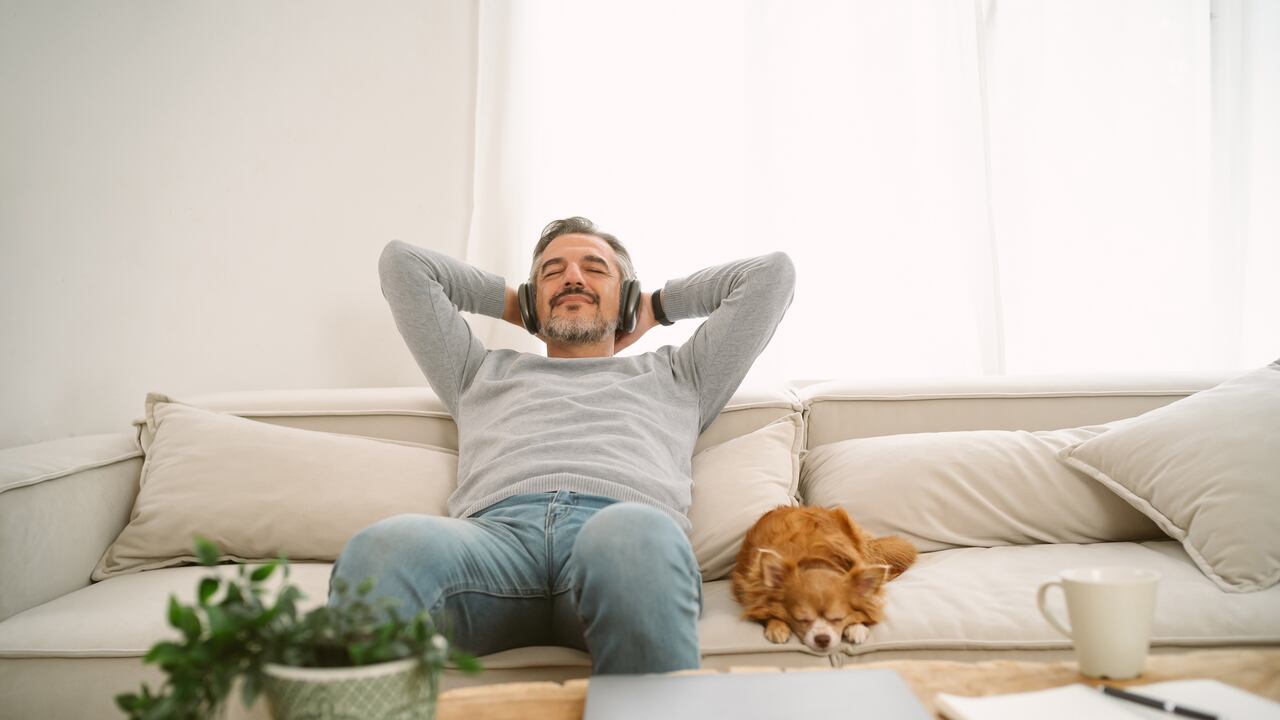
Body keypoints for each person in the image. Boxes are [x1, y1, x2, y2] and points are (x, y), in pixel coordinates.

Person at [328, 216, 795, 674]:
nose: (572, 277)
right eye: (552, 273)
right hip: (494, 544)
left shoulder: (681, 375)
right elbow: (403, 264)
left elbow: (771, 276)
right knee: (381, 550)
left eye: (594, 269)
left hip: (619, 538)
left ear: (626, 295)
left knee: (631, 536)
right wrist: (517, 304)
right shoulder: (475, 372)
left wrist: (654, 306)